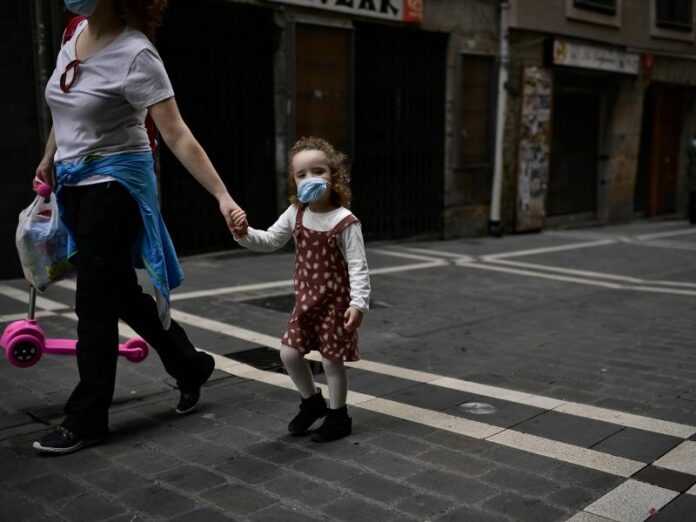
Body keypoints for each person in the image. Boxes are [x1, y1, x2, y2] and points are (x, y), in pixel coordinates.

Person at [32, 0, 246, 455]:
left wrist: (222, 195)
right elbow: (65, 109)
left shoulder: (136, 53)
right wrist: (50, 156)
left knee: (93, 302)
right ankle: (190, 366)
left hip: (115, 187)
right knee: (119, 292)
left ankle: (86, 418)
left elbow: (176, 132)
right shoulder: (74, 33)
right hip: (73, 183)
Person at [230, 137, 370, 442]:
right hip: (306, 302)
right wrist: (243, 233)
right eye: (302, 174)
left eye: (319, 171)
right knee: (289, 353)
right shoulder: (296, 212)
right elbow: (270, 240)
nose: (310, 179)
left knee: (331, 360)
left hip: (335, 305)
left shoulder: (345, 221)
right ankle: (311, 402)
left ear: (334, 176)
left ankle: (338, 416)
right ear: (294, 181)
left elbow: (358, 266)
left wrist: (358, 303)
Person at [688, 132, 696, 224]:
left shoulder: (691, 144)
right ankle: (692, 217)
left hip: (692, 173)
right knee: (693, 196)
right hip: (693, 174)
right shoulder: (692, 145)